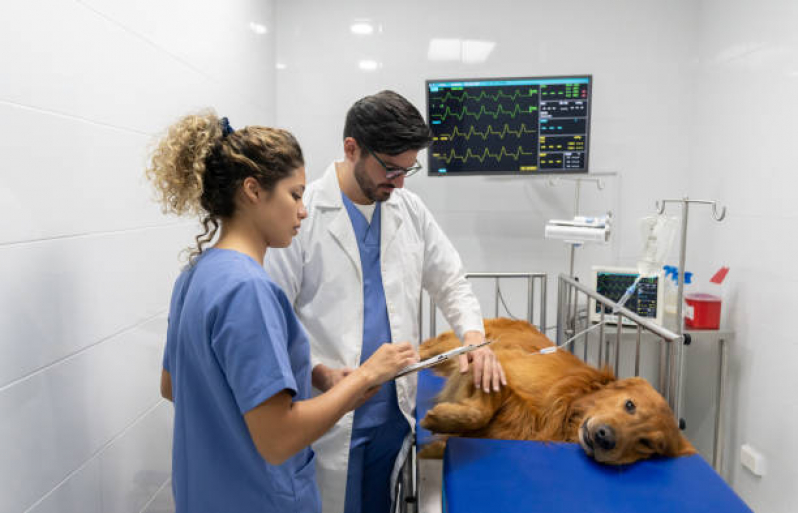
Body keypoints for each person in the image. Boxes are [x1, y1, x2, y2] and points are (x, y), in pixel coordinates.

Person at [147, 111, 418, 513]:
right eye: (295, 195)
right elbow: (278, 439)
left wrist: (318, 375)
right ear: (253, 191)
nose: (303, 210)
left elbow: (175, 386)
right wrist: (365, 376)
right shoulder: (249, 290)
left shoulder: (195, 276)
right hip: (259, 499)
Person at [265, 91, 507, 513]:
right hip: (328, 411)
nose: (399, 183)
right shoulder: (302, 217)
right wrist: (317, 372)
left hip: (394, 413)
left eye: (407, 169)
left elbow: (449, 278)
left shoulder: (408, 209)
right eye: (390, 169)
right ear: (351, 148)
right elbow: (274, 317)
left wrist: (475, 337)